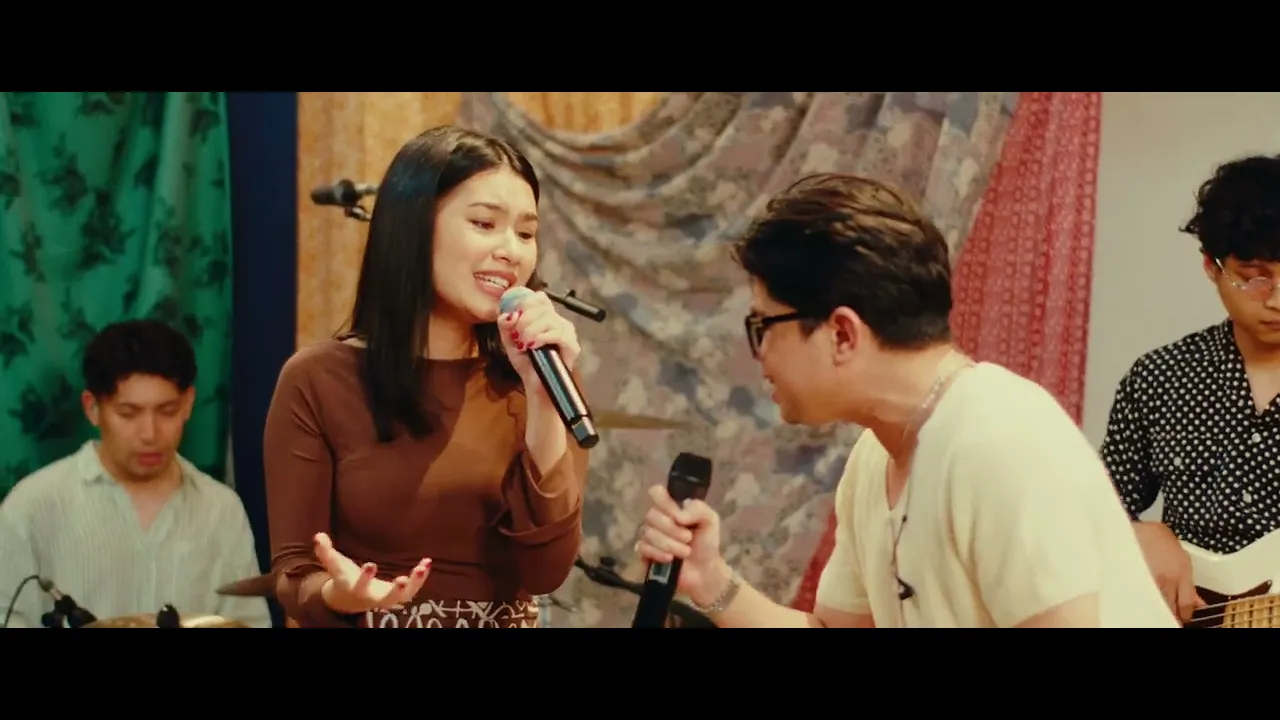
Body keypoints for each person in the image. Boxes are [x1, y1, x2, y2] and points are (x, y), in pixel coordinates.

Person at [634, 173, 1177, 628]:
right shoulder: (876, 457)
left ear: (842, 333)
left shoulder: (1001, 441)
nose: (759, 353)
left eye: (763, 325)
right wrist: (712, 581)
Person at [264, 125, 590, 629]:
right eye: (484, 223)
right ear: (413, 228)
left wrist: (542, 396)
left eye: (526, 233)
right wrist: (339, 594)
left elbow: (547, 572)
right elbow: (293, 573)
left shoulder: (542, 379)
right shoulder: (317, 380)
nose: (512, 251)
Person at [1100, 154, 1280, 623]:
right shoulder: (1159, 378)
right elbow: (1091, 510)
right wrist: (1136, 533)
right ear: (1211, 267)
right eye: (1254, 278)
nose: (1277, 300)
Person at [0, 320, 270, 628]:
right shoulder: (32, 507)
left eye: (167, 411)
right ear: (92, 408)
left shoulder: (221, 509)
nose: (150, 433)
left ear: (188, 403)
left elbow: (247, 622)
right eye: (128, 414)